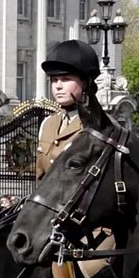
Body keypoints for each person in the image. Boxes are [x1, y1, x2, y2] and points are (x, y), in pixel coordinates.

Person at [32, 39, 102, 178]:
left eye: (65, 79)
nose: (58, 86)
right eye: (54, 80)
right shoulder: (47, 124)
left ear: (86, 82)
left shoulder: (99, 125)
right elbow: (41, 178)